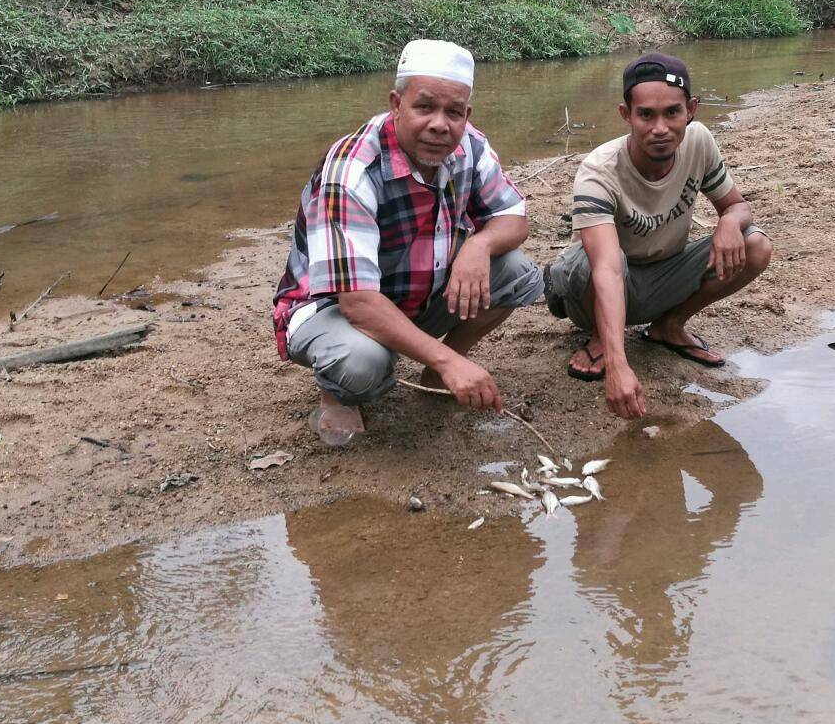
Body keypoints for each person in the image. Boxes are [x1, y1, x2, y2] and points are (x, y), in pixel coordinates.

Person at [272, 39, 543, 446]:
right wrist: (450, 360)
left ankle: (435, 373)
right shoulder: (353, 168)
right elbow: (357, 303)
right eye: (424, 107)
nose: (439, 124)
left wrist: (478, 247)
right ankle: (336, 391)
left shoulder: (469, 144)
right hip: (332, 308)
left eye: (453, 112)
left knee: (517, 273)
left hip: (411, 293)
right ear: (396, 103)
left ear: (466, 114)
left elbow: (513, 217)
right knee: (362, 363)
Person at [543, 52, 772, 419]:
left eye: (672, 113)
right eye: (646, 115)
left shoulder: (698, 142)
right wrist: (619, 364)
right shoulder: (599, 171)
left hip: (665, 273)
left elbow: (737, 205)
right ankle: (602, 337)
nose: (660, 128)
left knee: (755, 244)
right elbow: (606, 269)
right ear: (626, 115)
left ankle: (668, 326)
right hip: (599, 288)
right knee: (595, 259)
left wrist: (728, 221)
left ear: (691, 109)